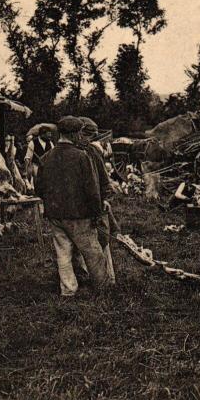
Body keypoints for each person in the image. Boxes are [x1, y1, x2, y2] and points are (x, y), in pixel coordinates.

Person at [35, 116, 109, 297]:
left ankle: (68, 290)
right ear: (75, 134)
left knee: (63, 253)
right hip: (79, 215)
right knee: (93, 253)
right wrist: (96, 213)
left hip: (55, 214)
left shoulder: (46, 158)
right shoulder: (82, 157)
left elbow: (38, 189)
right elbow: (92, 190)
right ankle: (102, 290)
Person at [76, 116, 117, 284]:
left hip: (95, 201)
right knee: (81, 241)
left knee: (101, 238)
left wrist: (105, 197)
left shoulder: (93, 152)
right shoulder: (73, 152)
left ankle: (107, 276)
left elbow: (103, 177)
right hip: (80, 203)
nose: (86, 138)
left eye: (90, 135)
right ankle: (84, 274)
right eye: (86, 135)